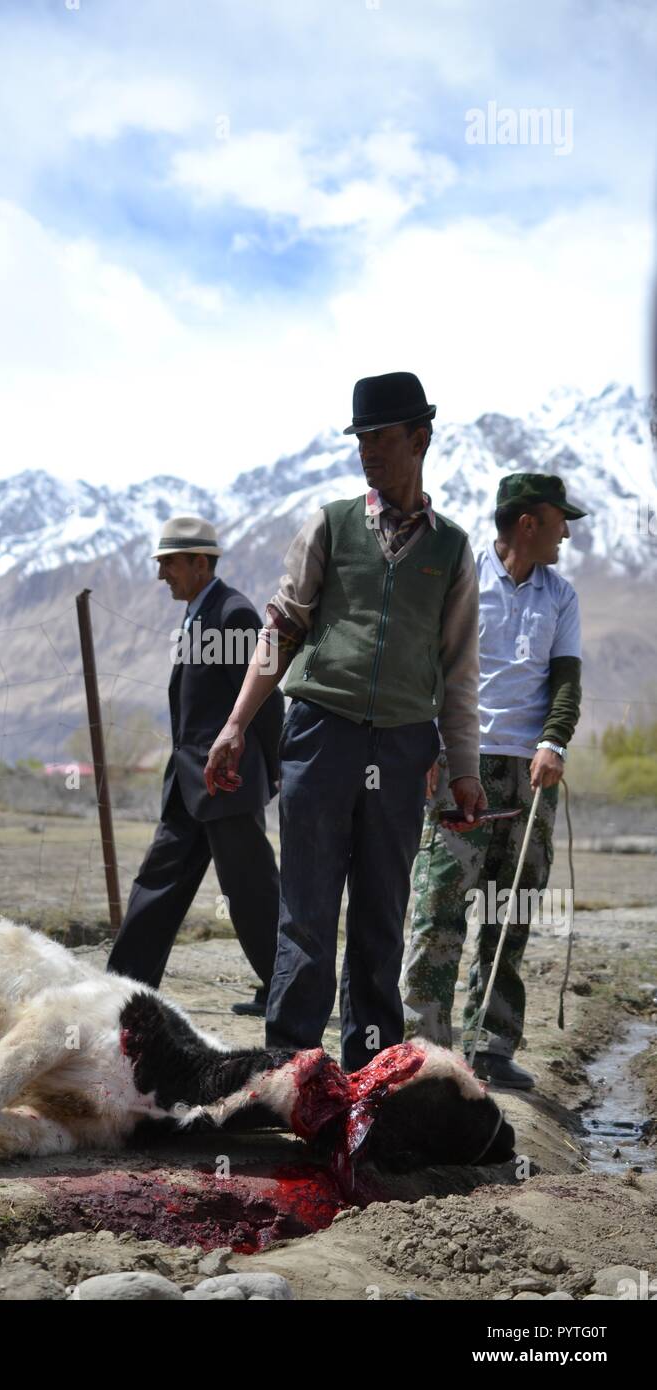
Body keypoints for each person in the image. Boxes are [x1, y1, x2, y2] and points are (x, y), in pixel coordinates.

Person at [205, 373, 485, 1071]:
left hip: (401, 747)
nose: (368, 452)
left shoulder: (451, 550)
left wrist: (465, 771)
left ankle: (368, 1075)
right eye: (360, 439)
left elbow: (458, 672)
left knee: (380, 916)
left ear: (419, 439)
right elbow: (280, 628)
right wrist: (238, 722)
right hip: (319, 736)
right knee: (304, 910)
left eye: (381, 437)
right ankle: (290, 1072)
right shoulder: (329, 525)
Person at [402, 473, 585, 1089]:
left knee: (513, 908)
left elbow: (565, 681)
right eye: (561, 520)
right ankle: (424, 1049)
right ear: (529, 523)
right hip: (462, 761)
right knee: (441, 900)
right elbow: (430, 665)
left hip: (532, 773)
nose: (568, 532)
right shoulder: (463, 577)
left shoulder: (561, 595)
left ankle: (492, 1045)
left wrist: (553, 742)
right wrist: (434, 745)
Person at [107, 516, 283, 1014]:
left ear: (200, 563)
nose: (162, 574)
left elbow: (266, 700)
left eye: (169, 563)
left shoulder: (235, 615)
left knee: (250, 892)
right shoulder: (198, 613)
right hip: (188, 782)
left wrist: (269, 769)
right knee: (159, 880)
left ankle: (285, 988)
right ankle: (123, 987)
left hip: (225, 782)